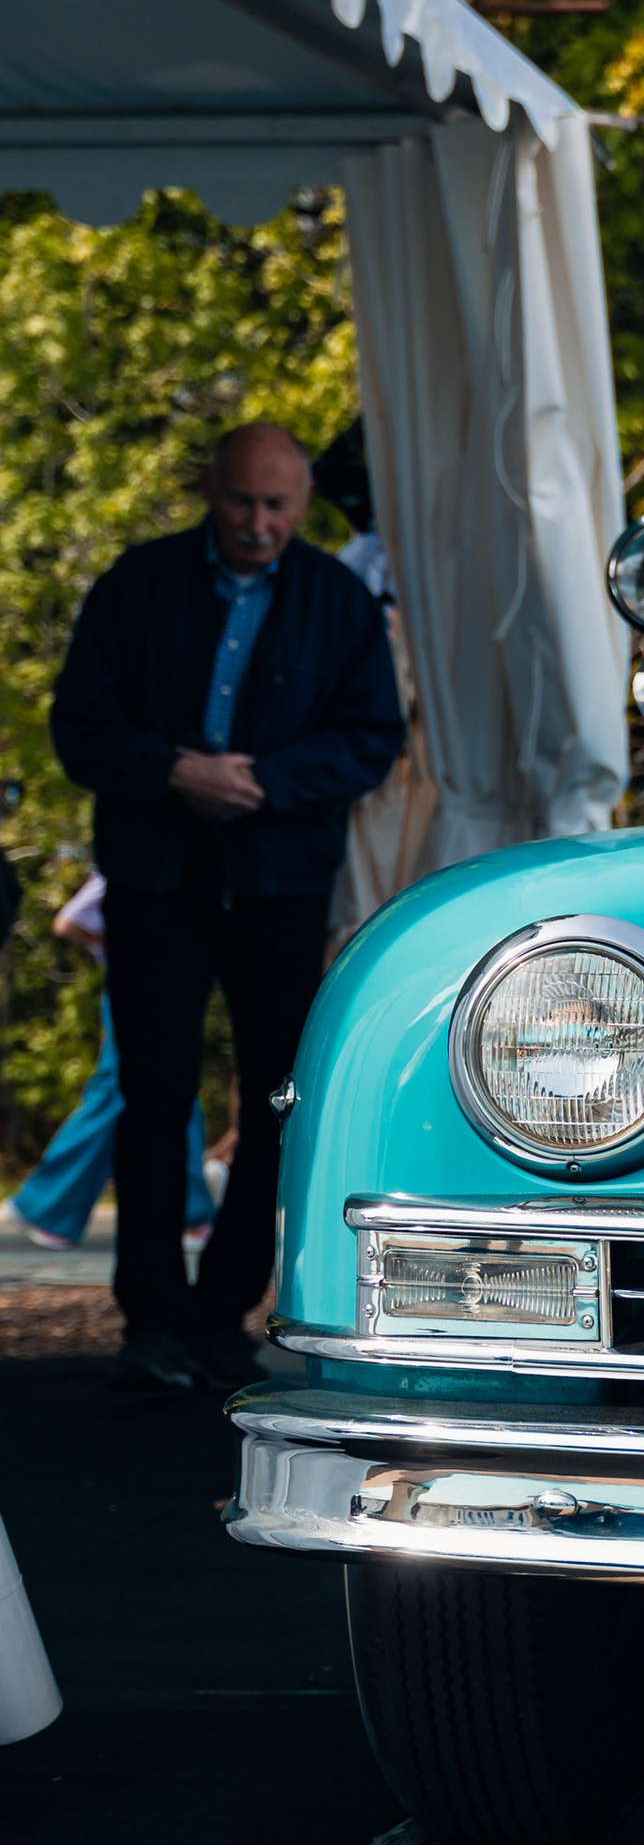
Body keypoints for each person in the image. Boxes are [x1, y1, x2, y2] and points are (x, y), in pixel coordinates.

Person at [51, 422, 403, 1394]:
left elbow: (372, 739)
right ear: (213, 491)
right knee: (154, 1095)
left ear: (302, 503)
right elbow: (79, 726)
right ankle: (151, 1321)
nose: (258, 523)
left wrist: (265, 783)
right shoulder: (138, 584)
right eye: (243, 501)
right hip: (156, 877)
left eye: (277, 505)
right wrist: (176, 771)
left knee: (278, 1099)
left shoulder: (336, 600)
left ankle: (225, 1314)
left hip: (278, 878)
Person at [2, 874, 220, 1252]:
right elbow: (68, 921)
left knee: (140, 1091)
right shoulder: (133, 865)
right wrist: (124, 948)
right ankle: (187, 1214)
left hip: (163, 990)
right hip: (142, 991)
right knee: (142, 1091)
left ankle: (49, 1207)